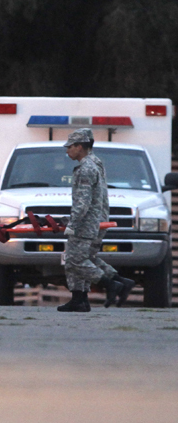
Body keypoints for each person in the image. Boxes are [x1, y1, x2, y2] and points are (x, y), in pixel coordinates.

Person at [59, 128, 133, 312]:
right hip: (94, 220)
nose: (67, 150)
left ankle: (111, 284)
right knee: (85, 258)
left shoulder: (86, 168)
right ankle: (81, 299)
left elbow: (83, 202)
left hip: (85, 223)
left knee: (74, 261)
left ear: (80, 146)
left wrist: (72, 224)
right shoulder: (95, 163)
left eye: (70, 146)